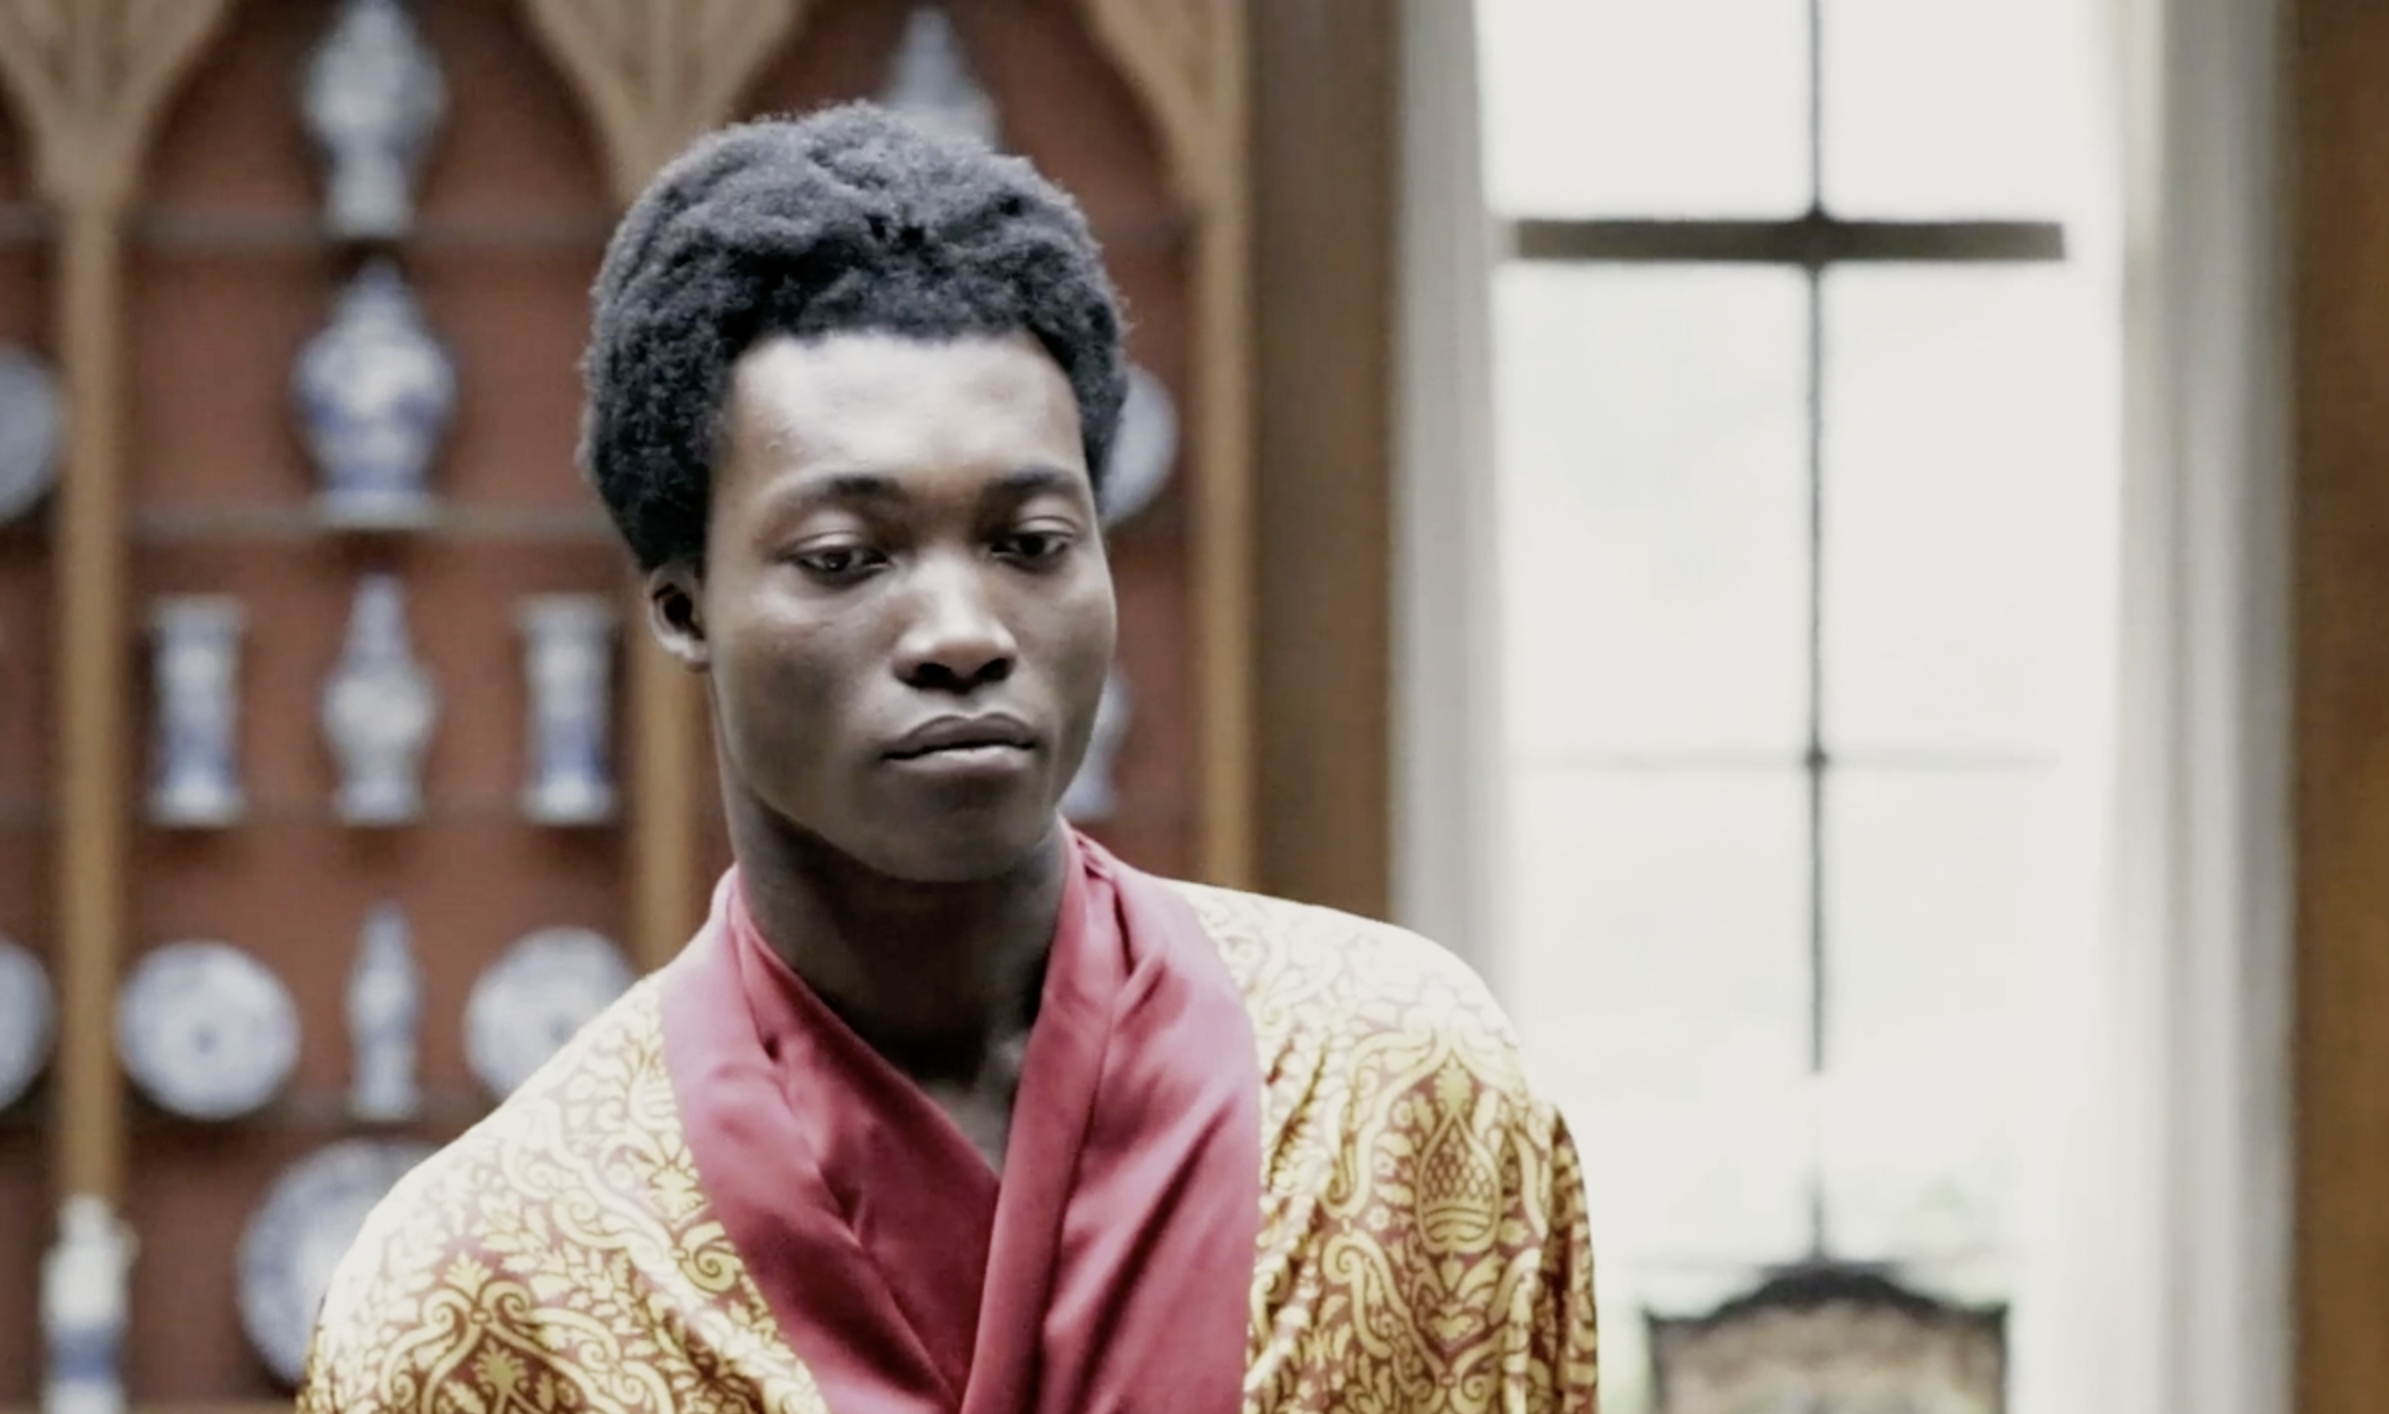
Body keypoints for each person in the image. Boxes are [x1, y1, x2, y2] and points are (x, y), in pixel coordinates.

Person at [298, 102, 1597, 1414]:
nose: (964, 632)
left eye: (1029, 543)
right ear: (685, 607)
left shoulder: (1400, 1097)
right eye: (845, 558)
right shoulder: (489, 1293)